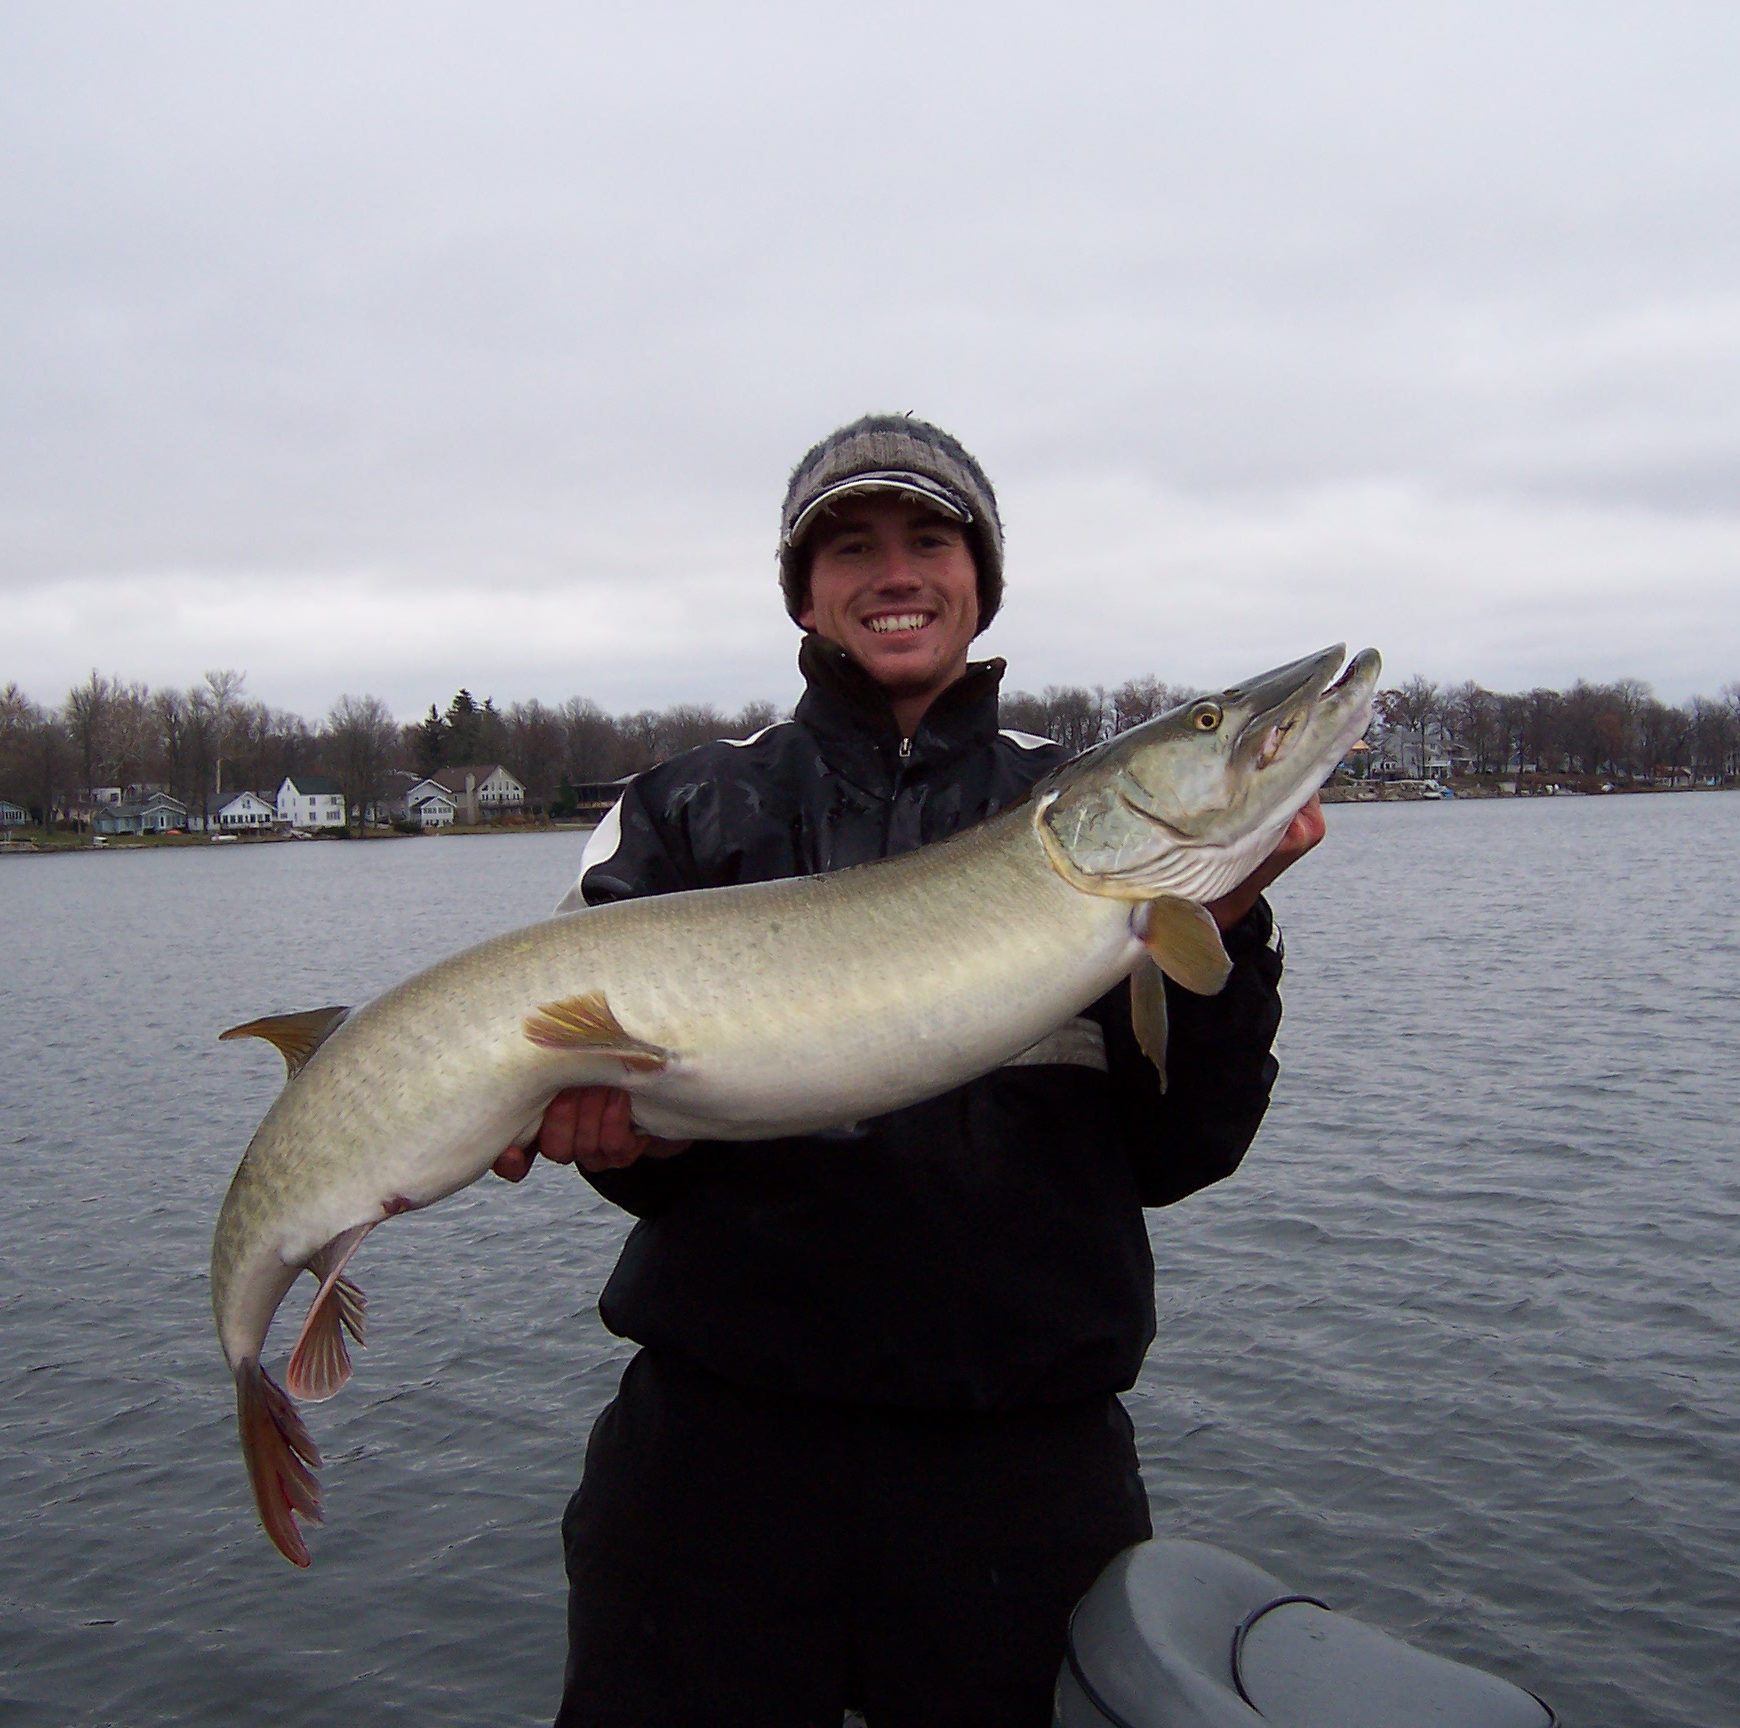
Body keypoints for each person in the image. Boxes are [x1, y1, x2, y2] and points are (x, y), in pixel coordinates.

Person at [490, 414, 1324, 1728]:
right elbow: (628, 1160)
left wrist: (1223, 925)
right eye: (853, 545)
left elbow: (1185, 1150)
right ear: (804, 594)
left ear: (980, 578)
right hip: (717, 1463)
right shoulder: (682, 811)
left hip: (1022, 1473)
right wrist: (628, 1145)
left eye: (930, 540)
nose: (896, 573)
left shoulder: (1096, 821)